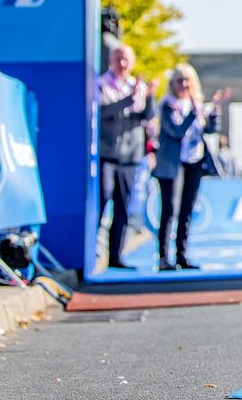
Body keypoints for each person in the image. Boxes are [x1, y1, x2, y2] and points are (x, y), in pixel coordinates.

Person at [155, 63, 231, 271]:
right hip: (172, 164)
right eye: (179, 80)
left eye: (187, 80)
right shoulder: (168, 105)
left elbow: (209, 130)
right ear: (173, 84)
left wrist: (214, 112)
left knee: (187, 210)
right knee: (170, 209)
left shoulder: (196, 105)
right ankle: (163, 256)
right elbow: (176, 131)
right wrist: (194, 113)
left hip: (195, 162)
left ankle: (182, 254)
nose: (184, 84)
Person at [96, 44, 157, 270]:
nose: (122, 64)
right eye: (118, 59)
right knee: (102, 200)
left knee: (123, 206)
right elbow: (101, 112)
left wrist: (148, 97)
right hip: (107, 154)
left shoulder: (138, 86)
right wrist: (127, 101)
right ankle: (91, 251)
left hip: (131, 156)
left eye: (126, 60)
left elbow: (148, 118)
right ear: (111, 61)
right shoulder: (101, 84)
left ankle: (116, 255)